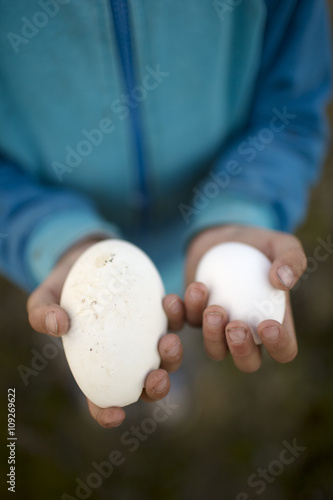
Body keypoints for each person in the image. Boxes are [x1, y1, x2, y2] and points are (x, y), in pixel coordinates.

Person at [0, 0, 331, 428]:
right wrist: (48, 234)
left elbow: (291, 108)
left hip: (202, 251)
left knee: (187, 331)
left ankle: (171, 381)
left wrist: (244, 204)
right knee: (85, 333)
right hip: (65, 259)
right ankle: (102, 376)